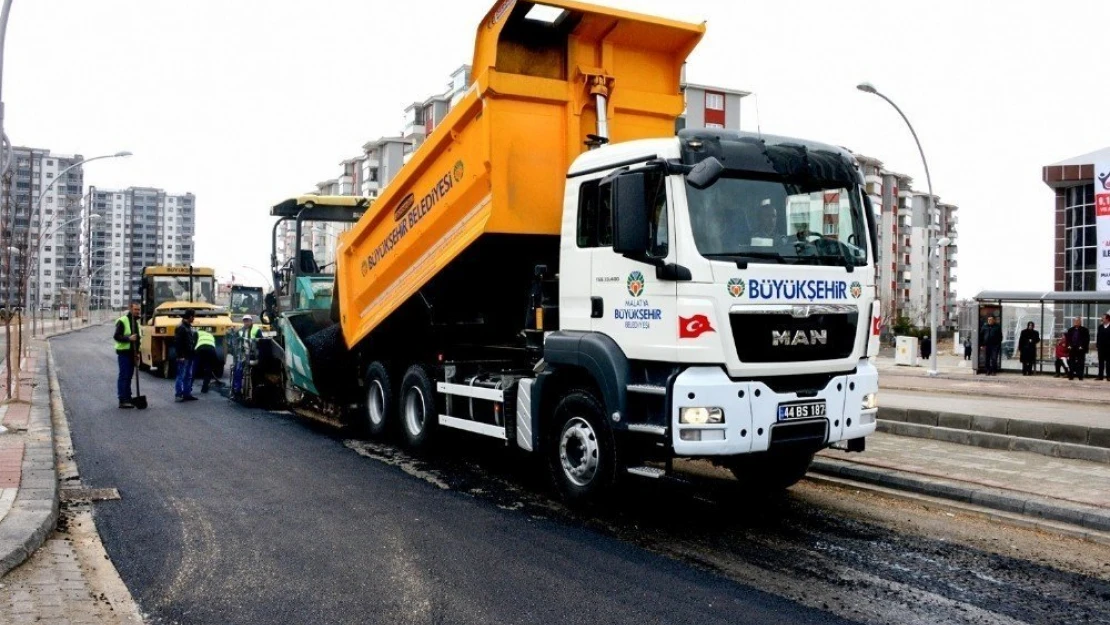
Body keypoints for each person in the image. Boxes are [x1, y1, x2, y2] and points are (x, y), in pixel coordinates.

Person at [113, 301, 141, 409]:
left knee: (129, 377)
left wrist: (137, 353)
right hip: (124, 353)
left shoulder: (136, 323)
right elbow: (116, 336)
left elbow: (138, 340)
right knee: (124, 376)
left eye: (138, 310)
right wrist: (128, 338)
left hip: (132, 354)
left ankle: (128, 398)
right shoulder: (123, 321)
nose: (137, 311)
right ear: (130, 309)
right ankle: (123, 399)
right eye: (135, 309)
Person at [174, 309, 198, 402]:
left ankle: (187, 394)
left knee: (188, 375)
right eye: (193, 317)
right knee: (181, 375)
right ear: (190, 317)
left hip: (189, 355)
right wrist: (180, 356)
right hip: (184, 356)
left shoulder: (187, 327)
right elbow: (178, 343)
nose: (194, 319)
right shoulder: (181, 328)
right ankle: (179, 394)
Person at [192, 328, 222, 394]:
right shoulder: (210, 335)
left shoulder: (197, 333)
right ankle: (204, 389)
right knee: (208, 369)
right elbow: (213, 346)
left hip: (200, 349)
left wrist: (193, 354)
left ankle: (189, 387)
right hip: (211, 350)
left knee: (194, 368)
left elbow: (193, 344)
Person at [1065, 316, 1090, 381]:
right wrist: (1069, 346)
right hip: (1072, 348)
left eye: (1077, 321)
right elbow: (1068, 339)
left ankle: (1080, 376)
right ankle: (1071, 375)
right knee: (1071, 362)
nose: (1075, 322)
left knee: (1081, 362)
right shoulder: (1070, 330)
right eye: (1074, 321)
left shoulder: (1085, 330)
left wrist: (1082, 346)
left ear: (1080, 322)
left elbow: (1086, 340)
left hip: (1080, 349)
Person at [1096, 312, 1110, 381]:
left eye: (1103, 318)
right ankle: (1100, 376)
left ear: (1107, 319)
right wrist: (1097, 346)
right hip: (1101, 348)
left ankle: (1108, 376)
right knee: (1101, 362)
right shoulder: (1100, 327)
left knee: (1108, 363)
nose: (1102, 319)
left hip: (1109, 348)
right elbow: (1098, 337)